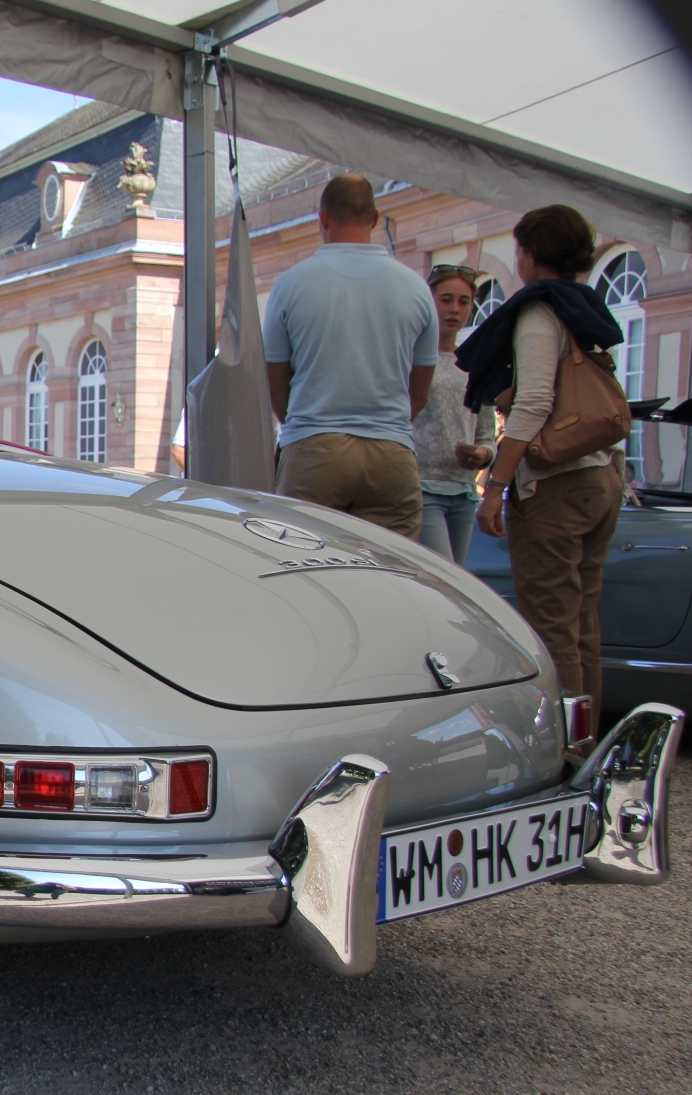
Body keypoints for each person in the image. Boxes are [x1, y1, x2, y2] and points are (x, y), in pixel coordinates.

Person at [462, 204, 625, 711]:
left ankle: (565, 749)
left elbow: (535, 402)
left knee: (551, 624)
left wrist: (497, 485)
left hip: (556, 483)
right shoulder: (586, 307)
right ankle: (589, 736)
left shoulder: (539, 311)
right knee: (581, 621)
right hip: (602, 474)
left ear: (531, 254)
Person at [263, 173, 438, 537]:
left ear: (323, 219)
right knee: (391, 575)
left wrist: (300, 421)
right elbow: (419, 392)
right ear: (375, 219)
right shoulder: (416, 288)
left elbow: (275, 382)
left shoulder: (292, 284)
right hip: (391, 451)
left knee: (303, 571)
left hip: (315, 447)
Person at [412, 265, 495, 562]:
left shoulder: (476, 364)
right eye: (446, 300)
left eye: (464, 302)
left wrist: (484, 454)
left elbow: (487, 432)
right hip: (421, 486)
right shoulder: (411, 358)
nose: (454, 310)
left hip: (464, 489)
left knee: (456, 579)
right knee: (442, 576)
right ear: (429, 301)